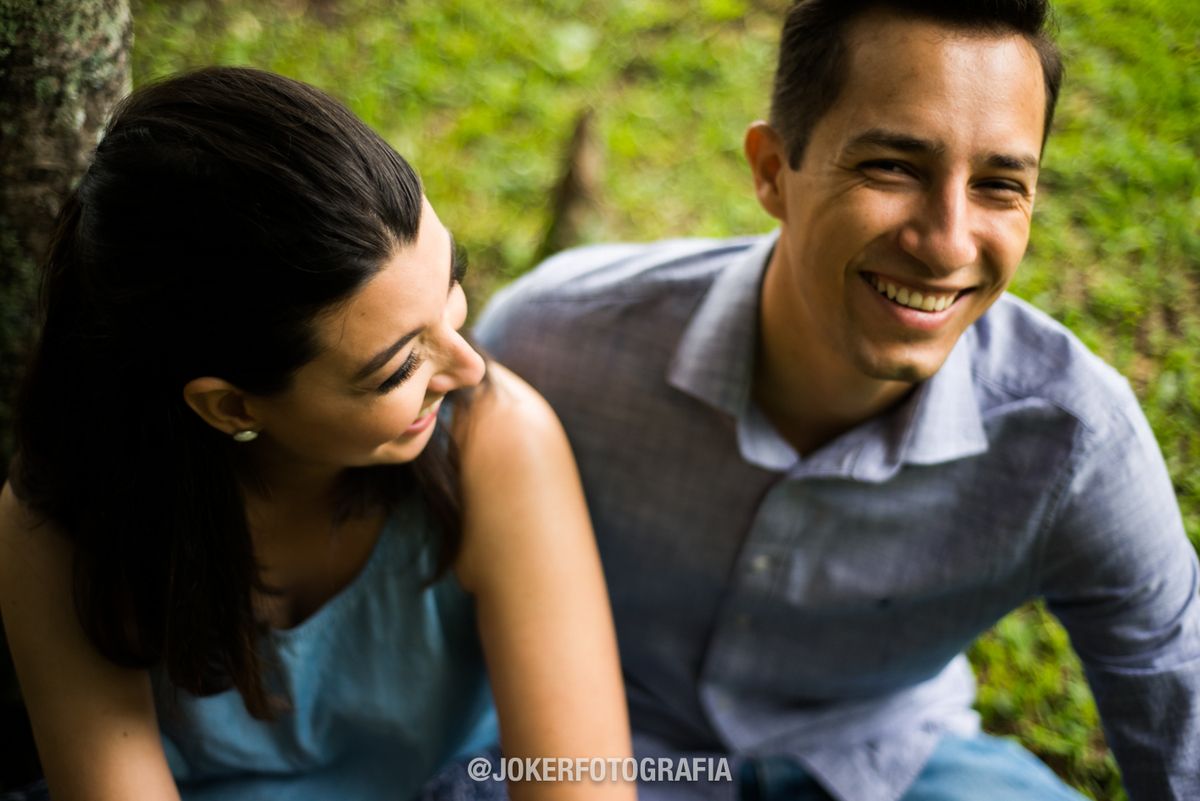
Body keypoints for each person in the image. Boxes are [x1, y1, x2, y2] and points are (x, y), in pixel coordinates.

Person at [474, 1, 1200, 800]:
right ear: (771, 171)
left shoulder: (1075, 441)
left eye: (999, 184)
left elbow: (1178, 711)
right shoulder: (552, 341)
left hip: (891, 755)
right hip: (598, 745)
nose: (950, 243)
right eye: (892, 166)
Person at [0, 67, 636, 801]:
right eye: (398, 366)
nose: (467, 367)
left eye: (451, 282)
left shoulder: (497, 437)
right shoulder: (62, 522)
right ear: (232, 407)